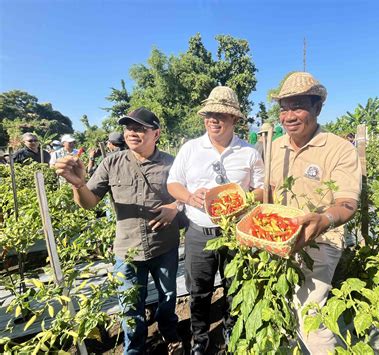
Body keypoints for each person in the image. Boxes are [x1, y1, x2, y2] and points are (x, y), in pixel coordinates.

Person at [55, 107, 183, 355]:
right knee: (130, 306)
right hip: (127, 249)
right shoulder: (111, 163)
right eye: (128, 128)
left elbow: (188, 196)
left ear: (156, 133)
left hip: (163, 245)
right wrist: (79, 185)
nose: (132, 133)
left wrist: (175, 206)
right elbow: (89, 202)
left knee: (168, 296)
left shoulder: (171, 163)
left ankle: (170, 333)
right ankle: (134, 348)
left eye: (139, 128)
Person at [167, 86, 265, 355]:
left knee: (234, 286)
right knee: (198, 290)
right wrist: (189, 197)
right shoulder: (190, 149)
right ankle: (200, 337)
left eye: (221, 114)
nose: (213, 119)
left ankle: (231, 328)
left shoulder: (249, 152)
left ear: (234, 119)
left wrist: (241, 196)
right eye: (209, 113)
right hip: (199, 232)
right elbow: (172, 183)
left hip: (235, 233)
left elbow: (262, 189)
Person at [270, 72, 361, 354]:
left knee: (310, 314)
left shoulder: (339, 149)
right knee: (280, 306)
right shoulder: (274, 147)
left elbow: (347, 203)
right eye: (284, 108)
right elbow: (269, 190)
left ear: (317, 108)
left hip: (322, 241)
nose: (288, 116)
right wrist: (246, 198)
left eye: (297, 106)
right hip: (278, 237)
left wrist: (323, 220)